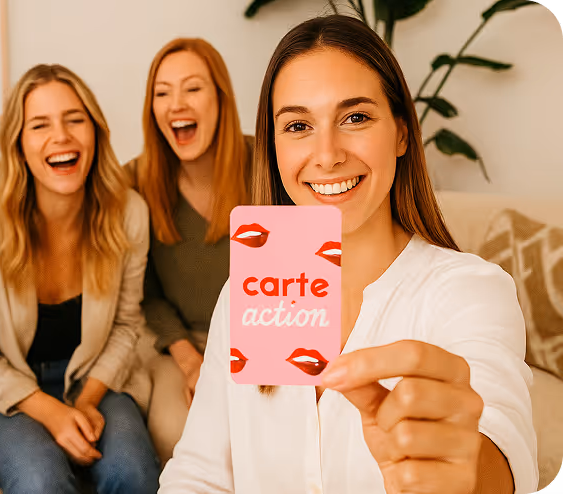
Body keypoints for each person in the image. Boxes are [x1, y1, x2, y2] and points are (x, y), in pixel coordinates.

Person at [159, 15, 537, 494]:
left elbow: (500, 445)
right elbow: (199, 475)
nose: (327, 154)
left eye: (355, 117)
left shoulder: (468, 291)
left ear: (401, 133)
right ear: (273, 147)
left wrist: (465, 472)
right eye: (298, 125)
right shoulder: (244, 295)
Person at [0, 63, 160, 494]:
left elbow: (127, 325)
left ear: (95, 132)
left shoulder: (129, 213)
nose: (62, 137)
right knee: (41, 479)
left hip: (93, 378)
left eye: (75, 119)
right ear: (18, 143)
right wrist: (53, 414)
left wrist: (87, 403)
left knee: (132, 471)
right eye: (40, 125)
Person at [124, 37, 253, 465]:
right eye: (163, 93)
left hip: (263, 337)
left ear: (221, 97)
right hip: (184, 344)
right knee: (178, 435)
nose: (176, 103)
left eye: (193, 88)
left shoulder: (268, 163)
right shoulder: (134, 183)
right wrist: (192, 362)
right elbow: (146, 295)